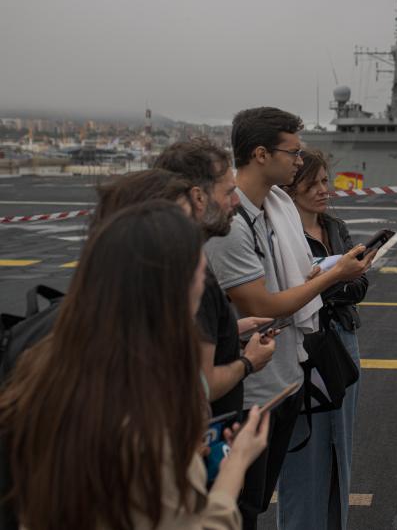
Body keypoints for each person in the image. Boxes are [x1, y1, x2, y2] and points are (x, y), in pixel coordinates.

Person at [0, 201, 270, 529]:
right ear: (176, 287)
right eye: (201, 272)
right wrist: (234, 466)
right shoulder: (147, 415)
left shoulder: (44, 364)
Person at [203, 107, 374, 529]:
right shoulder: (234, 222)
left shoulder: (270, 208)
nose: (300, 161)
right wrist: (335, 274)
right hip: (253, 391)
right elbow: (262, 304)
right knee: (238, 508)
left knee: (255, 505)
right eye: (293, 152)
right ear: (261, 154)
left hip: (283, 379)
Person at [280, 151, 370, 530]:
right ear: (291, 188)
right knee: (303, 449)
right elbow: (284, 291)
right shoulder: (281, 235)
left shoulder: (335, 227)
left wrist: (322, 282)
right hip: (303, 346)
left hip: (341, 340)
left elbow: (360, 284)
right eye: (312, 184)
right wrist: (334, 278)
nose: (322, 190)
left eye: (324, 182)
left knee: (339, 449)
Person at [154, 138, 276, 417]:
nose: (236, 201)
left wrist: (230, 332)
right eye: (229, 192)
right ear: (198, 197)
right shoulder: (193, 277)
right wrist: (248, 362)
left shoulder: (152, 255)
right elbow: (201, 385)